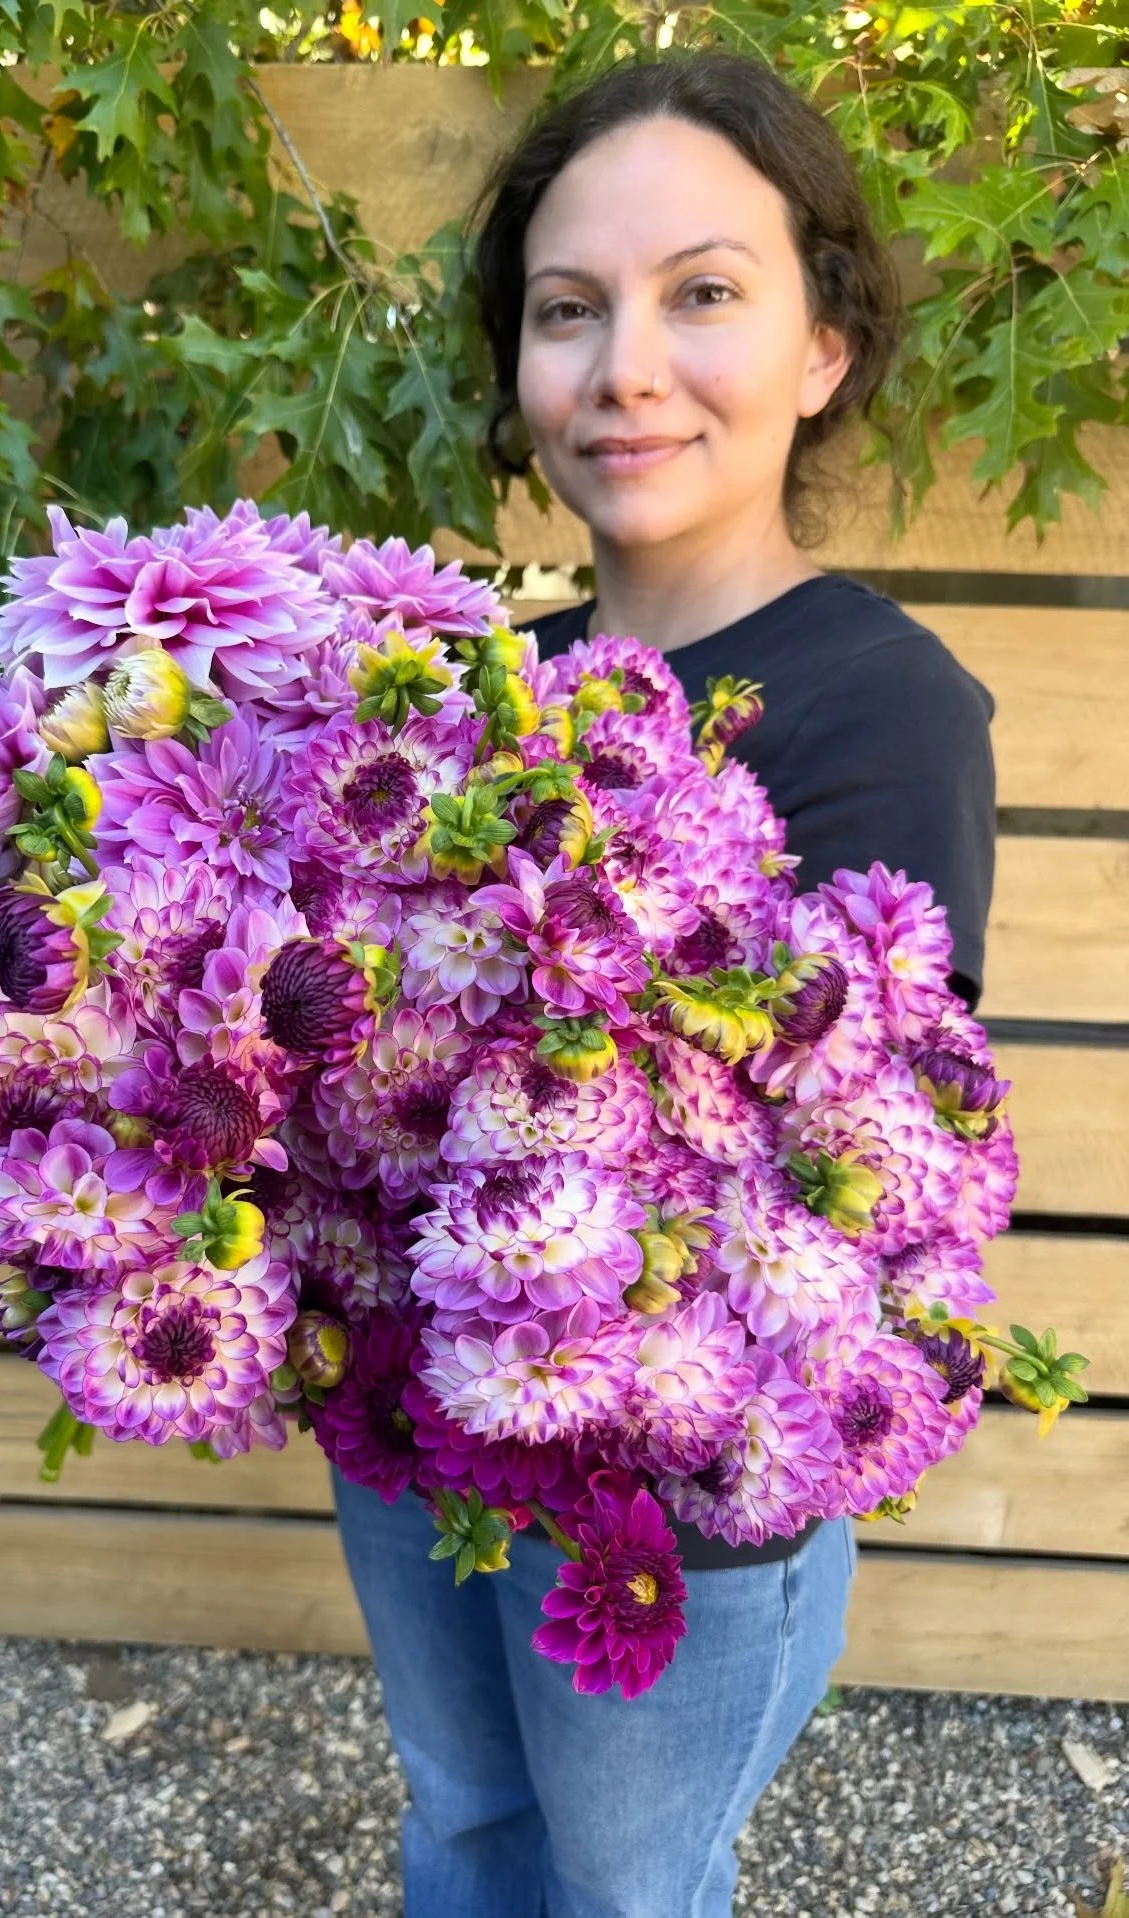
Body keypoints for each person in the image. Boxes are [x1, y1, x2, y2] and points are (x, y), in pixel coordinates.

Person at [331, 48, 996, 1918]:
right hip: (414, 1401)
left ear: (824, 349)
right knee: (465, 1815)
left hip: (675, 1500)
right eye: (567, 311)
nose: (623, 366)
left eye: (703, 294)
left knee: (629, 1884)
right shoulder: (467, 696)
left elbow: (860, 1182)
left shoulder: (884, 714)